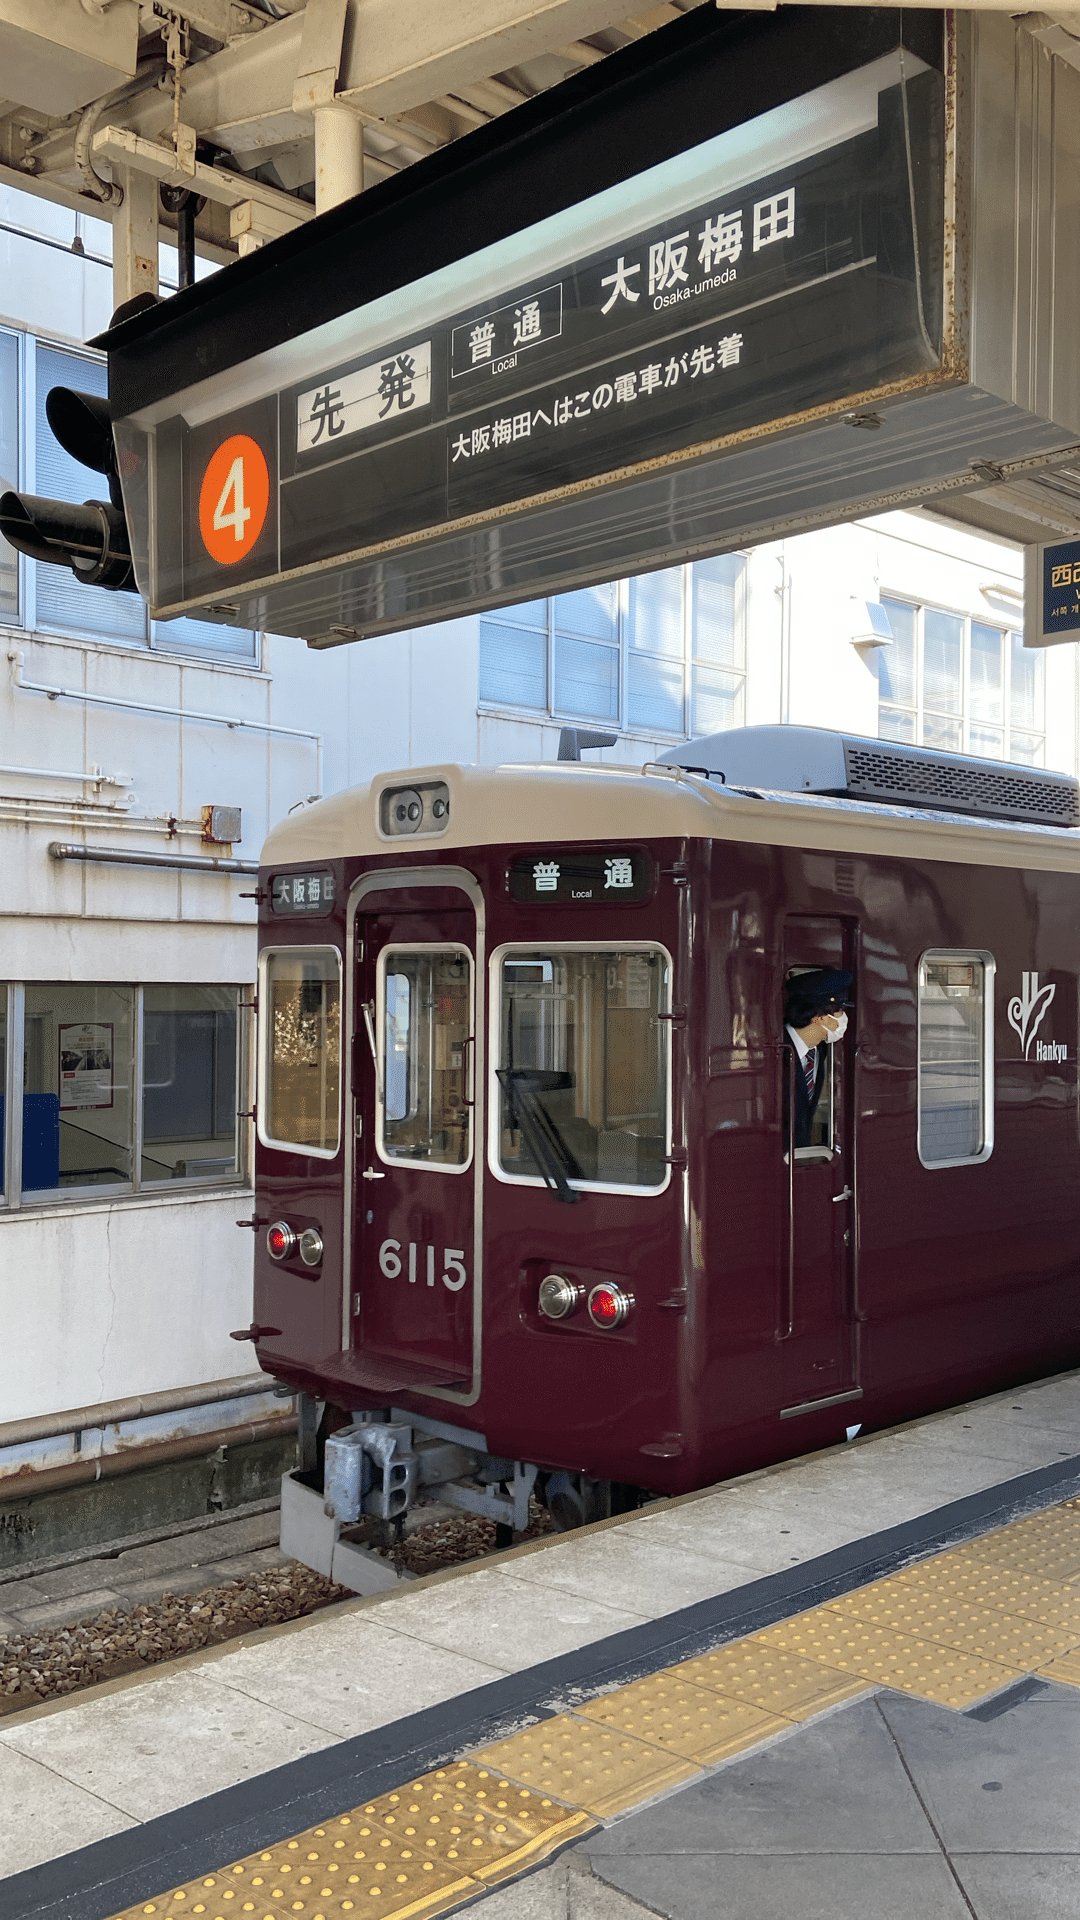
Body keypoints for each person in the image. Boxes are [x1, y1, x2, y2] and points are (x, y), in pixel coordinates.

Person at [784, 968, 854, 1149]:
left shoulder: (818, 1053)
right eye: (839, 1011)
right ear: (819, 1017)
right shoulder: (776, 1053)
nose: (843, 1019)